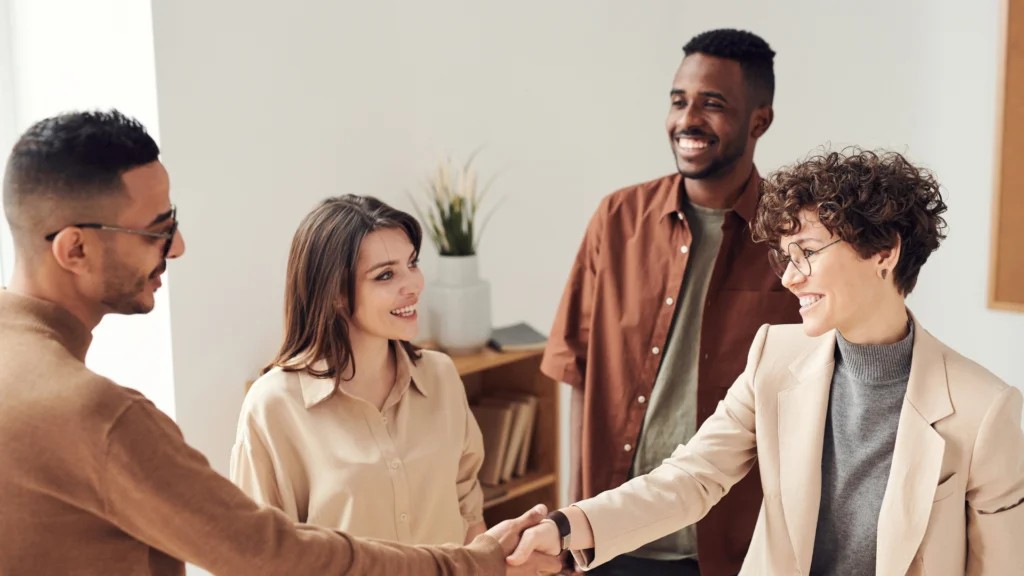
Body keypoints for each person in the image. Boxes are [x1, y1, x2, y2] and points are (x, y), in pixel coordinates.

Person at [0, 109, 561, 576]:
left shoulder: (438, 376)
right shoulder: (101, 416)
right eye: (157, 230)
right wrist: (470, 566)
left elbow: (465, 498)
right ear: (73, 250)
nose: (177, 248)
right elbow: (266, 553)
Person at [510, 148, 1024, 575]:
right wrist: (565, 528)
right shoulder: (773, 357)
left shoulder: (985, 410)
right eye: (785, 257)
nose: (789, 277)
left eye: (806, 252)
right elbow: (691, 478)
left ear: (884, 252)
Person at [541, 28, 800, 576]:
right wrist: (568, 523)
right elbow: (578, 374)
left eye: (713, 104)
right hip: (605, 538)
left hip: (729, 548)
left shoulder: (791, 239)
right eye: (679, 101)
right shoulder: (616, 220)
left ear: (760, 120)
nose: (688, 120)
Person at [230, 195, 487, 546]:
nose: (413, 284)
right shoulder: (274, 406)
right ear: (335, 292)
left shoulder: (440, 376)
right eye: (385, 275)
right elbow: (258, 554)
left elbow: (468, 509)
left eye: (412, 263)